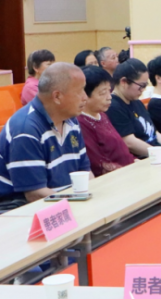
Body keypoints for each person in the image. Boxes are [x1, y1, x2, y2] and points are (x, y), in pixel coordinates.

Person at [0, 63, 92, 210]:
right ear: (57, 96)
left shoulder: (71, 121)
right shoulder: (25, 129)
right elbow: (35, 194)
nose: (85, 97)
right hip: (18, 208)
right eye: (80, 91)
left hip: (64, 202)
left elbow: (85, 172)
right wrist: (78, 207)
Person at [76, 66, 135, 177]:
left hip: (129, 170)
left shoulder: (102, 115)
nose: (109, 97)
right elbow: (98, 164)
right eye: (103, 93)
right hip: (116, 178)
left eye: (109, 91)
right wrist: (131, 171)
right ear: (84, 96)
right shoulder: (81, 123)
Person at [108, 59, 161, 158]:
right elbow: (130, 142)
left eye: (145, 86)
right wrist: (160, 153)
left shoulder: (136, 102)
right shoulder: (113, 107)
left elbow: (153, 132)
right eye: (141, 86)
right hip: (144, 158)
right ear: (124, 82)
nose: (143, 90)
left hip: (156, 153)